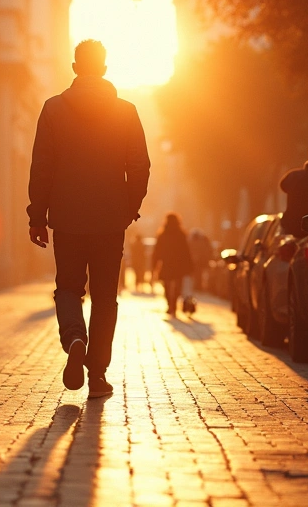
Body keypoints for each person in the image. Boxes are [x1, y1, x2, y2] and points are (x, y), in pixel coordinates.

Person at [27, 39, 151, 399]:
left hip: (66, 217)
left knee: (68, 287)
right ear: (105, 68)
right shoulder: (126, 111)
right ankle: (97, 375)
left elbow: (42, 167)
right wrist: (128, 207)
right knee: (104, 297)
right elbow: (140, 165)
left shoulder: (52, 109)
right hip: (110, 219)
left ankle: (74, 338)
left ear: (75, 67)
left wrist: (38, 215)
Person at [152, 214, 193, 317]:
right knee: (177, 285)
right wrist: (189, 265)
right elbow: (186, 251)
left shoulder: (163, 234)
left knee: (166, 284)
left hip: (167, 263)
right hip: (178, 264)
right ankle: (173, 305)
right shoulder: (181, 234)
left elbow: (157, 251)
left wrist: (155, 264)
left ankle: (170, 304)